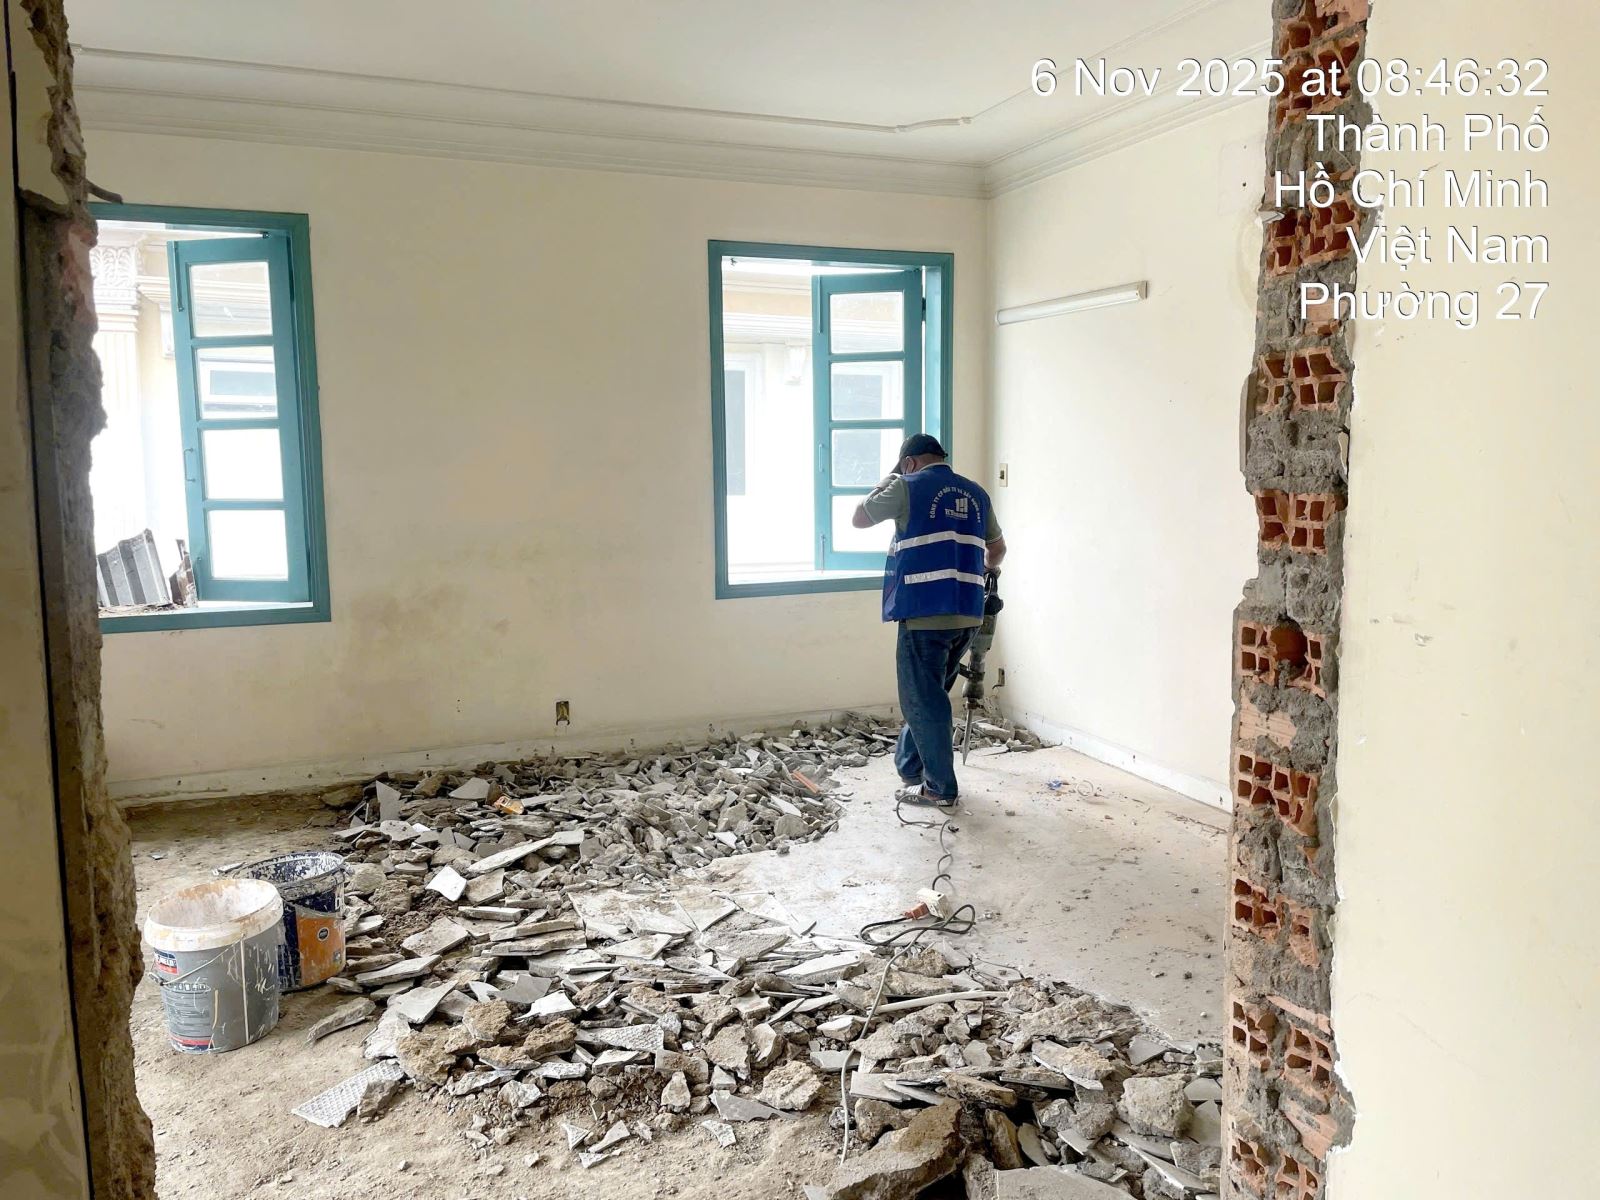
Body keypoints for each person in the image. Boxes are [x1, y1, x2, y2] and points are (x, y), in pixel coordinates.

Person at [852, 434, 1006, 808]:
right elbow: (998, 550)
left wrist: (887, 480)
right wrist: (984, 570)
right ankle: (910, 767)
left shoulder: (905, 486)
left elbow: (859, 518)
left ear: (909, 463)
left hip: (924, 612)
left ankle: (939, 788)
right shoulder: (976, 494)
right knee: (929, 694)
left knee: (922, 701)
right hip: (968, 613)